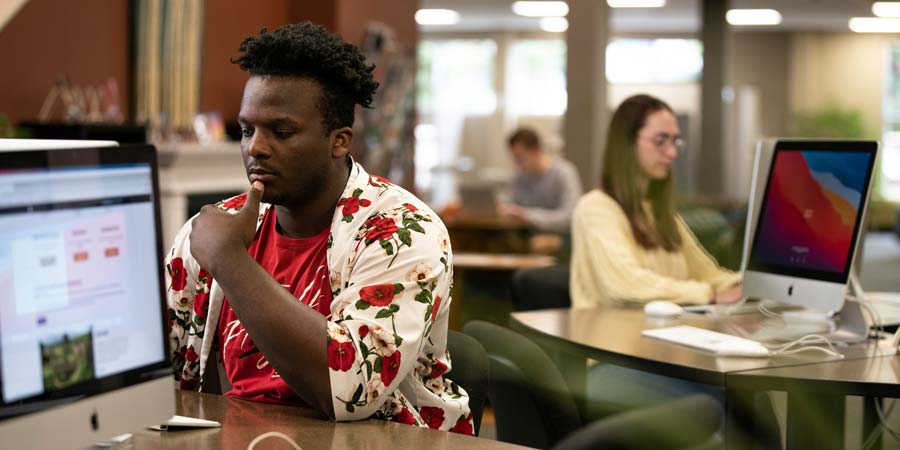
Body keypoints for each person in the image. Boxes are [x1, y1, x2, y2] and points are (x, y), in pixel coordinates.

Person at [165, 22, 472, 434]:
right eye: (246, 130)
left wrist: (230, 261)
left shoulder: (403, 230)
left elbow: (348, 390)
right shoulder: (212, 229)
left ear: (339, 141)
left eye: (282, 131)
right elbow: (162, 367)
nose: (255, 147)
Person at [570, 94, 742, 308]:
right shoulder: (595, 208)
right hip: (611, 336)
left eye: (675, 141)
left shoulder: (658, 211)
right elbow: (625, 286)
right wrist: (709, 295)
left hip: (660, 331)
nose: (671, 152)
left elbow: (709, 276)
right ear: (627, 142)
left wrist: (752, 285)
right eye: (660, 141)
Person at [499, 127, 582, 234]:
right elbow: (509, 202)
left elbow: (570, 216)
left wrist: (527, 215)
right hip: (527, 233)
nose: (516, 164)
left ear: (536, 151)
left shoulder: (564, 173)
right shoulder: (520, 175)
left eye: (520, 158)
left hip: (559, 235)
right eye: (514, 158)